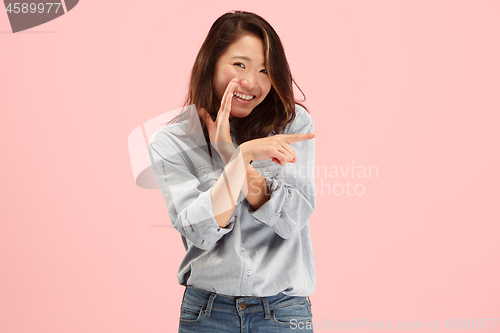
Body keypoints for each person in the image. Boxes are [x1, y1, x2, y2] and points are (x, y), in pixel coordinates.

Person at [147, 10, 317, 332]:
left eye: (265, 70)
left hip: (282, 312)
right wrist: (241, 160)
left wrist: (230, 153)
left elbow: (292, 218)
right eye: (240, 65)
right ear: (211, 62)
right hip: (208, 313)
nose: (251, 82)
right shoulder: (172, 141)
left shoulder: (292, 126)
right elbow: (200, 230)